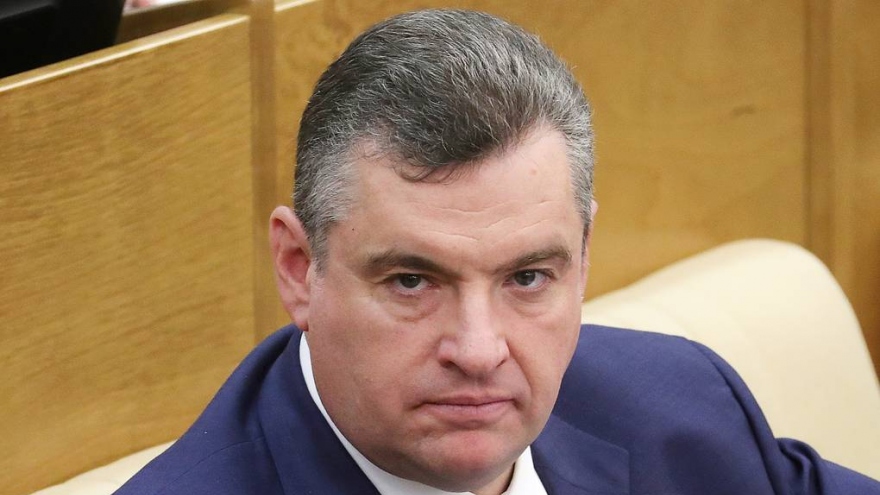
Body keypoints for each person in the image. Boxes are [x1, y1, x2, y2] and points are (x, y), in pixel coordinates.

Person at [116, 9, 880, 495]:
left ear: (583, 254)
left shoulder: (681, 409)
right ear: (297, 267)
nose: (480, 351)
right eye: (411, 280)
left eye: (527, 276)